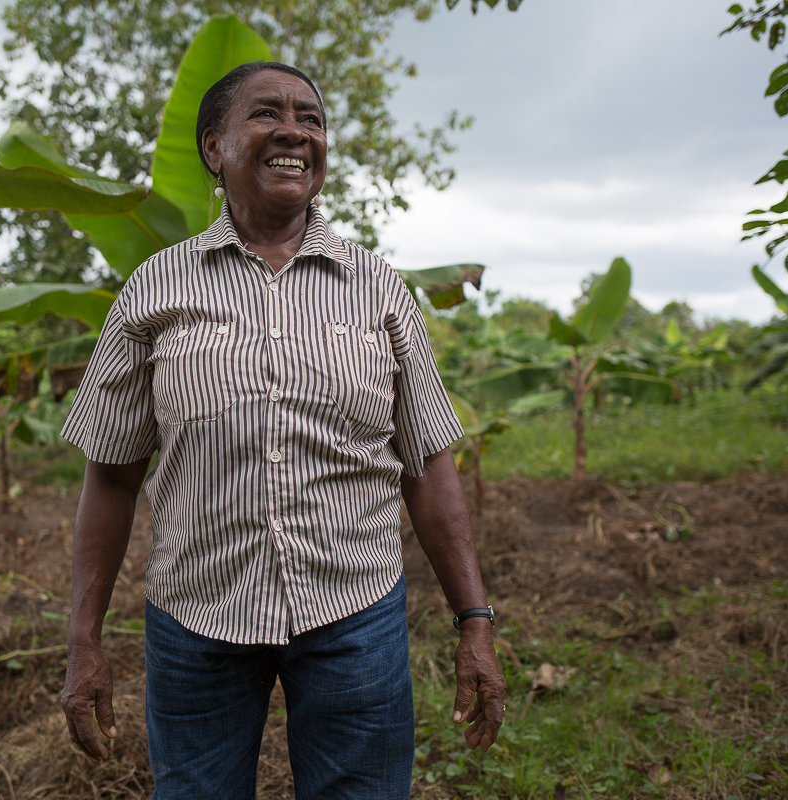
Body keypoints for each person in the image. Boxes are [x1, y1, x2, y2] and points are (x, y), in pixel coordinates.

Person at [58, 61, 506, 799]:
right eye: (267, 113)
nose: (295, 132)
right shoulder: (156, 288)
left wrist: (475, 620)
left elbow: (427, 462)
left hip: (353, 615)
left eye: (313, 119)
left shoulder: (378, 288)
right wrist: (83, 642)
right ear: (213, 148)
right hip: (195, 616)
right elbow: (110, 473)